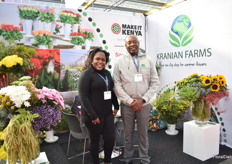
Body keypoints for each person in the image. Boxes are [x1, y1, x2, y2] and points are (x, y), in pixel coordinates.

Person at [113, 35, 159, 164]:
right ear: (125, 45)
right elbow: (116, 84)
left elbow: (155, 82)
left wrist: (143, 100)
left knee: (143, 133)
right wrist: (130, 101)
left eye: (134, 42)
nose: (132, 44)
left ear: (138, 43)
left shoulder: (148, 60)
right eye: (129, 42)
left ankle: (144, 157)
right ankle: (128, 157)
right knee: (128, 134)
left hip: (144, 105)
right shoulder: (119, 61)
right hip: (127, 105)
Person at [78, 48, 119, 164]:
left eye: (103, 60)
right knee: (95, 141)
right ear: (91, 60)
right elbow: (83, 97)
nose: (100, 62)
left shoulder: (106, 73)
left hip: (107, 114)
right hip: (93, 115)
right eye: (97, 59)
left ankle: (107, 161)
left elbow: (110, 91)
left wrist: (116, 106)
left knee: (110, 139)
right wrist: (93, 116)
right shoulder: (86, 74)